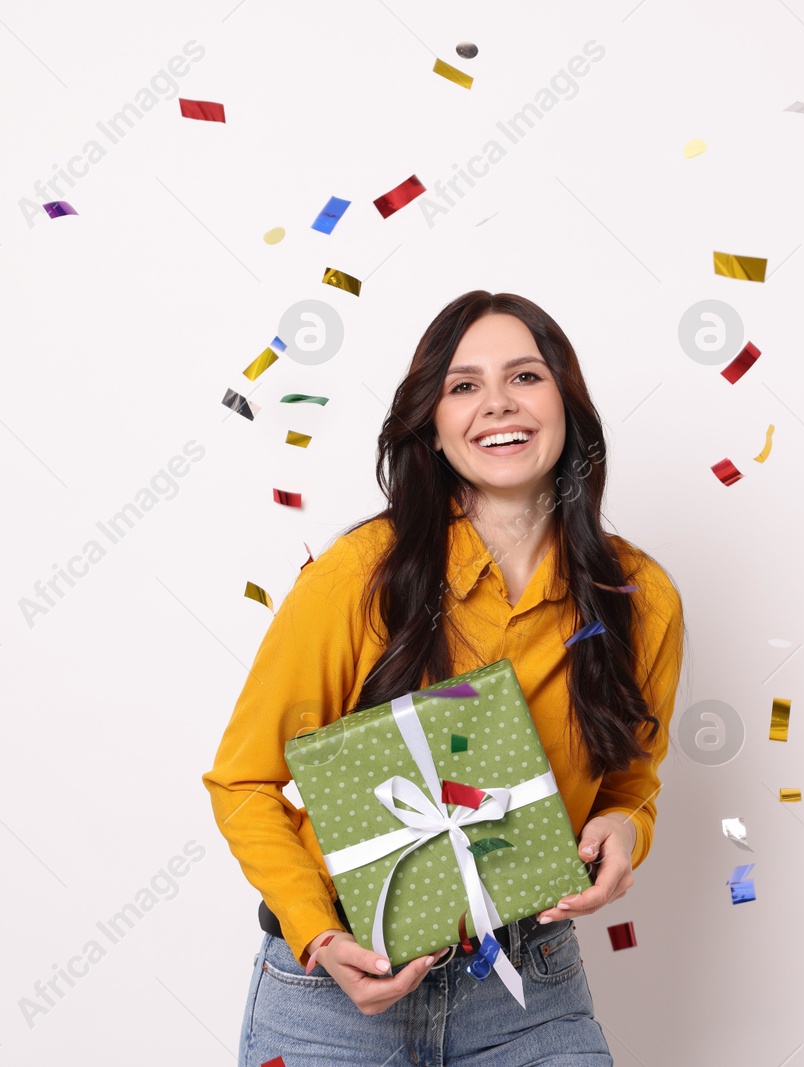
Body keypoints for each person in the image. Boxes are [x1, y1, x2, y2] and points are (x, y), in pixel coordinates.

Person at [203, 290, 686, 1066]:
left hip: (529, 988)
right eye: (463, 386)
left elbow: (633, 783)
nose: (497, 403)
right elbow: (243, 780)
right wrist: (319, 934)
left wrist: (628, 829)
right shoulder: (358, 578)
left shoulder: (642, 599)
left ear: (567, 403)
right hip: (334, 996)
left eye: (525, 376)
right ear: (431, 424)